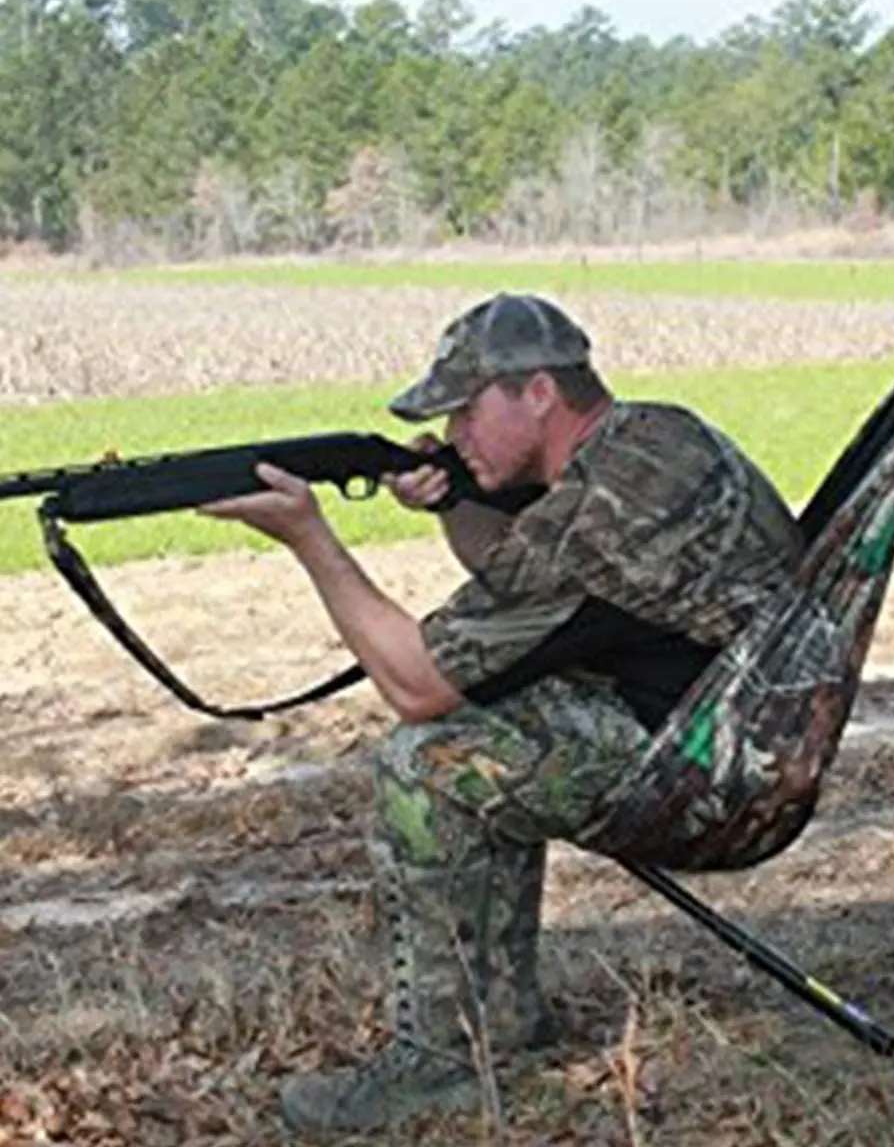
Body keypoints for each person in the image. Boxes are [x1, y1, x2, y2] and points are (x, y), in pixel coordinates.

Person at [202, 291, 805, 1136]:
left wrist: (314, 541)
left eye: (464, 411)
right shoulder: (655, 438)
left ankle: (441, 1065)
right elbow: (516, 581)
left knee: (425, 762)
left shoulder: (595, 514)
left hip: (712, 772)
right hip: (733, 726)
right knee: (481, 729)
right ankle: (503, 1026)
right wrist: (459, 496)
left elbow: (417, 684)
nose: (452, 436)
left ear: (539, 393)